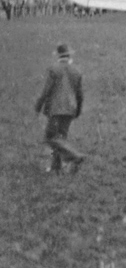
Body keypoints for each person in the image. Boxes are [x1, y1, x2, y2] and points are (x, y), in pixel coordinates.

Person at [34, 43, 85, 174]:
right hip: (71, 109)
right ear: (69, 56)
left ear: (58, 55)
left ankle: (74, 156)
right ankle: (56, 167)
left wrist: (38, 106)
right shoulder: (76, 71)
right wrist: (78, 110)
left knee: (50, 137)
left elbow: (46, 91)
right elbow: (80, 95)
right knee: (61, 138)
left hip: (56, 109)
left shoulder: (53, 69)